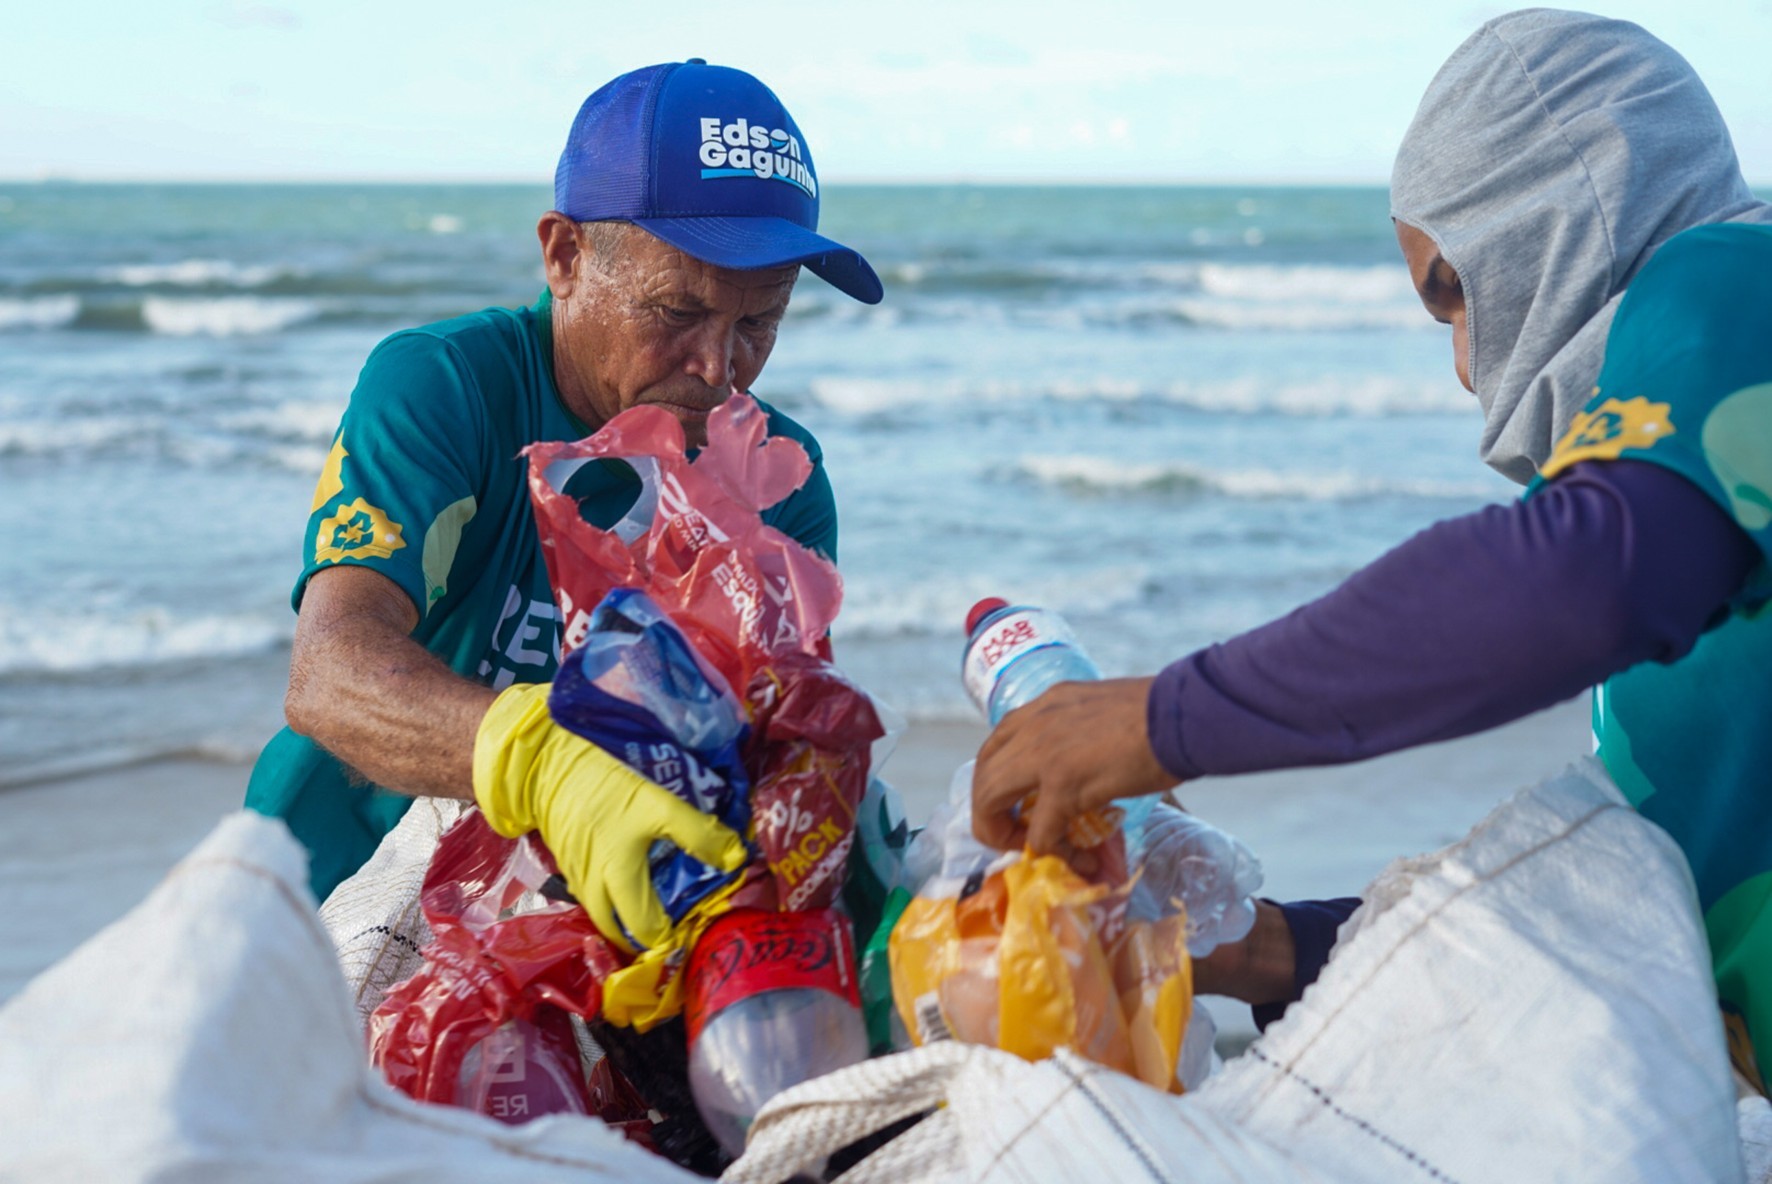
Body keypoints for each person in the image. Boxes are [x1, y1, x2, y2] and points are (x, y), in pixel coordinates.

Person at [970, 9, 1772, 1090]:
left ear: (1554, 211)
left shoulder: (1731, 275)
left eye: (1453, 292)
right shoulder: (1691, 566)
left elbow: (1569, 580)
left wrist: (1157, 718)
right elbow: (1603, 930)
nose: (1461, 368)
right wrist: (1259, 949)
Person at [245, 59, 883, 951]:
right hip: (321, 906)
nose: (719, 368)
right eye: (676, 310)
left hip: (578, 929)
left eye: (758, 322)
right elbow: (330, 675)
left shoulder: (780, 479)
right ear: (566, 255)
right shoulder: (449, 385)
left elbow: (768, 755)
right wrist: (543, 759)